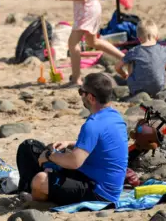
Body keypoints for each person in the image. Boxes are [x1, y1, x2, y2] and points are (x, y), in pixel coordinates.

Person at [31, 73, 128, 206]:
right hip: (94, 177)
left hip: (100, 192)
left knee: (40, 180)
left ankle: (37, 194)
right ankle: (36, 187)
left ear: (90, 97)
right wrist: (70, 144)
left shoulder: (93, 124)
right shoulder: (114, 116)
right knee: (30, 147)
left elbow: (74, 162)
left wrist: (49, 156)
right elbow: (101, 146)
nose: (80, 96)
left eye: (81, 91)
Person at [115, 20, 166, 97]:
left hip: (137, 89)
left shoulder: (134, 51)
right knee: (159, 60)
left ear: (138, 38)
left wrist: (124, 75)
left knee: (131, 62)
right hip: (158, 88)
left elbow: (117, 67)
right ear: (157, 36)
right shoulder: (163, 49)